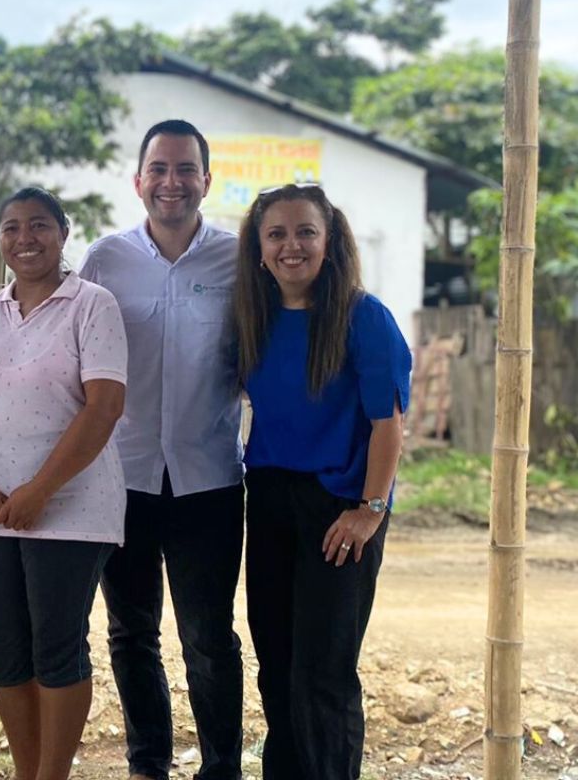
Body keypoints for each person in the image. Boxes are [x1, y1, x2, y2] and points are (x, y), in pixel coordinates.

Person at [78, 119, 245, 780]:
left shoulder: (240, 259)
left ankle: (222, 766)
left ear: (206, 179)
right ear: (138, 179)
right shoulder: (105, 259)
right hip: (123, 477)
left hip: (208, 479)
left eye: (185, 170)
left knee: (208, 637)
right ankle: (148, 763)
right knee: (131, 632)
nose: (171, 183)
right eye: (160, 169)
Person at [0, 187, 128, 780]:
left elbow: (103, 408)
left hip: (72, 510)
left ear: (64, 233)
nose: (25, 238)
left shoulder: (92, 305)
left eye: (40, 225)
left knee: (57, 649)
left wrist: (40, 490)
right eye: (12, 227)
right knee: (5, 651)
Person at [234, 183, 411, 780]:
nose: (292, 246)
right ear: (259, 248)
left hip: (341, 505)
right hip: (269, 499)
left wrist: (371, 508)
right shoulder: (253, 317)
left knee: (324, 671)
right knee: (276, 665)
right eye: (276, 234)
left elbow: (389, 424)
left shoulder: (366, 317)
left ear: (329, 241)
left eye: (306, 232)